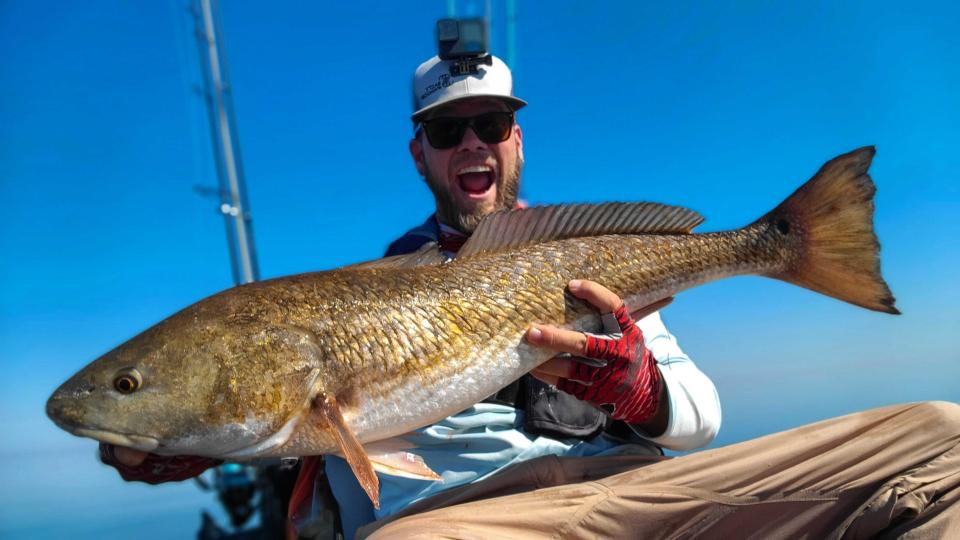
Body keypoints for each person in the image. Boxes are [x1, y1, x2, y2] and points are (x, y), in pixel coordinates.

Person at [102, 52, 960, 540]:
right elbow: (317, 443)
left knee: (940, 440)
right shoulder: (348, 302)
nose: (471, 143)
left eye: (490, 124)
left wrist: (641, 388)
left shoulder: (580, 261)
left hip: (627, 495)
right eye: (447, 131)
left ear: (516, 140)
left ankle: (790, 243)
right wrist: (194, 431)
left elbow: (701, 421)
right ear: (422, 155)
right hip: (464, 525)